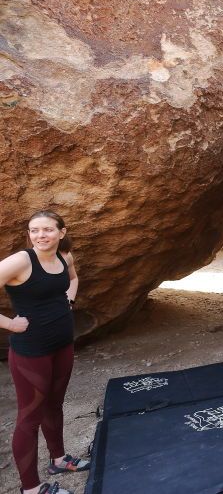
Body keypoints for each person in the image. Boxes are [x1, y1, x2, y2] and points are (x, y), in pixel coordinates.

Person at [0, 211, 89, 494]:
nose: (41, 235)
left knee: (54, 404)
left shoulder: (65, 257)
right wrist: (10, 324)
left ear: (61, 232)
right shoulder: (21, 261)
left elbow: (73, 279)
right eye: (34, 230)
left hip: (62, 344)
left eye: (48, 229)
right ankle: (31, 488)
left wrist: (69, 301)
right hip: (32, 351)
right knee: (29, 417)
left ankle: (59, 459)